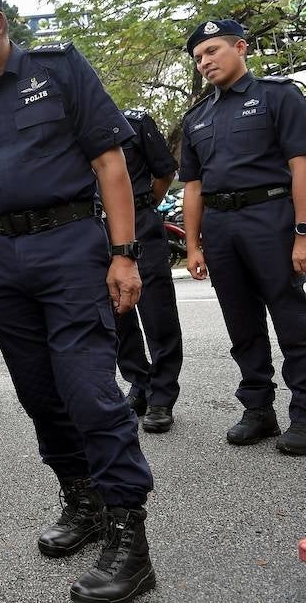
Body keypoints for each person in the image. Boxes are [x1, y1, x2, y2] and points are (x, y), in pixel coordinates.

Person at [0, 0, 156, 602]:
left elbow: (109, 162)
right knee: (39, 394)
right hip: (2, 261)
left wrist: (123, 254)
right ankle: (82, 501)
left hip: (69, 246)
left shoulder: (59, 70)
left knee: (89, 392)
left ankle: (129, 538)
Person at [180, 18, 306, 455]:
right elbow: (192, 187)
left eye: (212, 50)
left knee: (292, 319)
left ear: (240, 48)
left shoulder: (279, 95)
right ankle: (258, 409)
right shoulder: (197, 117)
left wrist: (302, 233)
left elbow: (300, 166)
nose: (204, 62)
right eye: (198, 57)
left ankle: (304, 413)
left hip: (270, 216)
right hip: (220, 225)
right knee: (241, 323)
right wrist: (193, 245)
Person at [115, 109, 184, 433]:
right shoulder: (73, 130)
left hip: (141, 222)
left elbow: (165, 172)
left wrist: (141, 207)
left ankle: (162, 396)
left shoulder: (134, 123)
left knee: (158, 313)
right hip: (98, 229)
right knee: (117, 316)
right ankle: (139, 384)